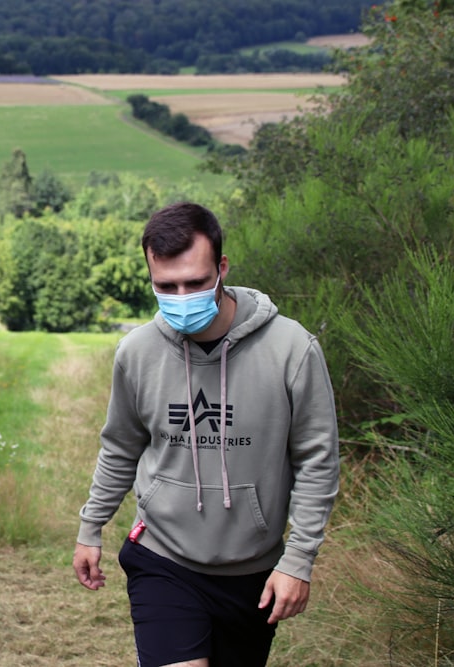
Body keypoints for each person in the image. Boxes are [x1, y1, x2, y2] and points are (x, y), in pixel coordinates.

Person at [73, 202, 340, 667]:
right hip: (164, 557)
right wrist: (90, 525)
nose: (181, 296)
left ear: (221, 268)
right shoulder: (137, 352)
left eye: (195, 283)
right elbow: (120, 446)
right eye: (165, 286)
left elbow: (317, 460)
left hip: (252, 572)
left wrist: (298, 559)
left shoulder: (292, 349)